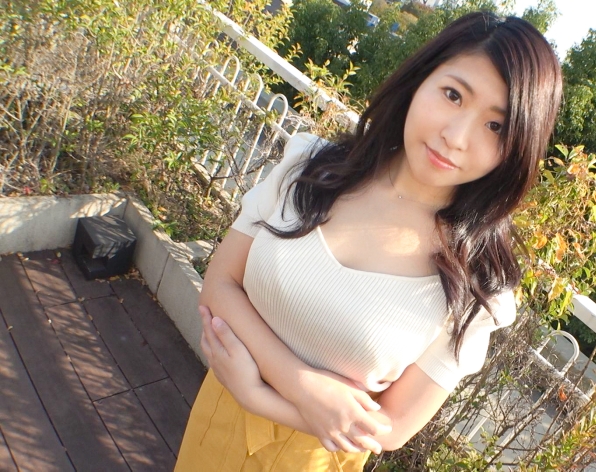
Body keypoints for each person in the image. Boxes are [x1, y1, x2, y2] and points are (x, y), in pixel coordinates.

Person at [175, 11, 563, 472]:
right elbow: (219, 284)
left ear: (518, 146)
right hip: (215, 424)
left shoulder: (477, 285)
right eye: (453, 95)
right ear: (420, 80)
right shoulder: (311, 169)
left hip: (316, 460)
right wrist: (301, 386)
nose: (456, 137)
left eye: (495, 126)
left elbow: (391, 427)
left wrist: (258, 395)